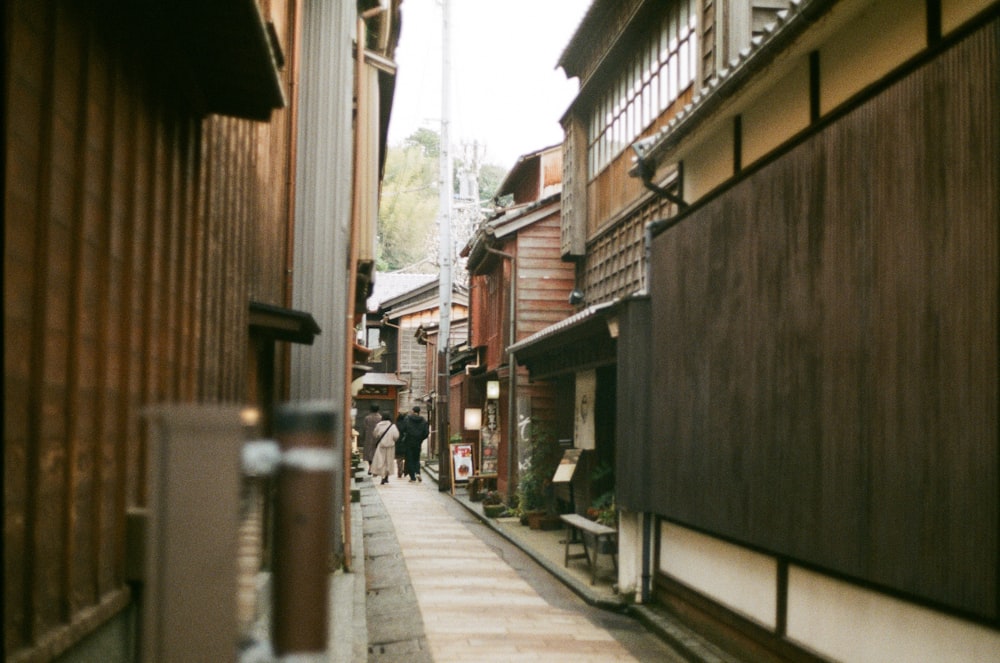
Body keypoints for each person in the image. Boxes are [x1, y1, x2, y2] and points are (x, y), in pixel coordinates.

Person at [400, 406, 429, 483]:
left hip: (409, 442)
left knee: (410, 459)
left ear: (413, 411)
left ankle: (412, 477)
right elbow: (426, 433)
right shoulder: (423, 420)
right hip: (418, 442)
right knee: (417, 458)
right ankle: (418, 473)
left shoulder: (407, 419)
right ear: (419, 412)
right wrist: (421, 439)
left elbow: (403, 429)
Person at [369, 413, 399, 485]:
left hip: (381, 446)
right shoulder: (393, 426)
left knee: (381, 461)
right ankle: (386, 476)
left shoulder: (379, 425)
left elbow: (375, 434)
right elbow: (396, 436)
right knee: (388, 461)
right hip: (390, 446)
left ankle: (382, 476)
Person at [361, 404, 382, 474]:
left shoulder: (367, 418)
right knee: (377, 453)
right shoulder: (380, 418)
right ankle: (375, 469)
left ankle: (370, 467)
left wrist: (363, 436)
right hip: (378, 437)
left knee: (369, 453)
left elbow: (364, 428)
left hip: (369, 437)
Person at [394, 411, 408, 478]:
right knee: (406, 458)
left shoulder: (396, 425)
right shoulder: (407, 425)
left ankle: (399, 471)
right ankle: (405, 470)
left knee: (399, 459)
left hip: (398, 443)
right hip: (405, 443)